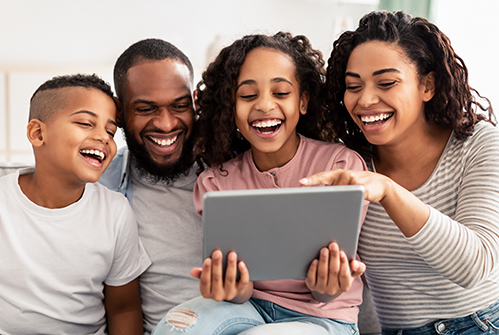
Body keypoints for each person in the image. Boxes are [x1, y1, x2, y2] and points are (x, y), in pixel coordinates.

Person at [153, 32, 369, 335]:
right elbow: (241, 292)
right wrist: (233, 286)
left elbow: (328, 291)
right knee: (175, 328)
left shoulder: (340, 167)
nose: (265, 105)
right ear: (231, 108)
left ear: (303, 100)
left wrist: (327, 286)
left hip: (324, 317)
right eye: (248, 95)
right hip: (249, 306)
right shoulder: (215, 183)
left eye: (281, 93)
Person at [300, 10, 499, 334]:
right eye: (353, 86)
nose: (365, 100)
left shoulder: (478, 144)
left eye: (387, 83)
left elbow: (474, 264)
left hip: (481, 324)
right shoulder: (348, 164)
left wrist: (389, 191)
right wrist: (326, 283)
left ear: (428, 85)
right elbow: (333, 291)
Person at [0, 74, 151, 334]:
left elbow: (124, 308)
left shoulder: (115, 212)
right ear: (37, 133)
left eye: (111, 131)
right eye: (85, 123)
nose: (104, 137)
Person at [99, 39, 202, 333]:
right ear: (120, 113)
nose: (166, 124)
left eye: (180, 106)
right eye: (146, 109)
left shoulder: (238, 173)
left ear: (195, 101)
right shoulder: (99, 188)